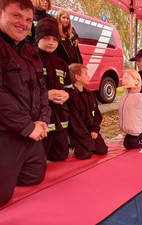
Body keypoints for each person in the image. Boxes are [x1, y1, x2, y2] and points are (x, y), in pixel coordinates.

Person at [0, 0, 51, 207]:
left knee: (35, 176)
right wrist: (27, 126)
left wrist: (43, 121)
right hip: (6, 132)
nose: (23, 23)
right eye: (17, 16)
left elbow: (42, 89)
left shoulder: (31, 52)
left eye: (29, 19)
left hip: (30, 131)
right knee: (2, 197)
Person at [35, 17, 73, 161]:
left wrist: (67, 95)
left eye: (55, 39)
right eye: (46, 38)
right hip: (41, 123)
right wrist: (46, 95)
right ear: (38, 38)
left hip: (60, 122)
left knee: (61, 157)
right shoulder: (32, 60)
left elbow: (71, 89)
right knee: (39, 163)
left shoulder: (62, 64)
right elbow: (24, 91)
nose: (51, 42)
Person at [68, 63, 108, 159]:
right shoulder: (71, 97)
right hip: (78, 133)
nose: (88, 76)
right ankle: (71, 143)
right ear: (77, 77)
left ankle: (88, 145)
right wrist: (87, 139)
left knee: (102, 150)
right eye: (86, 74)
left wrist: (95, 130)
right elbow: (75, 123)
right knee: (84, 155)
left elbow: (97, 115)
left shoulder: (91, 95)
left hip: (91, 131)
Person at [119, 69, 142, 136]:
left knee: (133, 143)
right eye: (122, 78)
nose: (123, 81)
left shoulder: (141, 97)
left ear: (136, 81)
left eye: (126, 78)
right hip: (126, 129)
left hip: (136, 130)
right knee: (127, 143)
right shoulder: (124, 97)